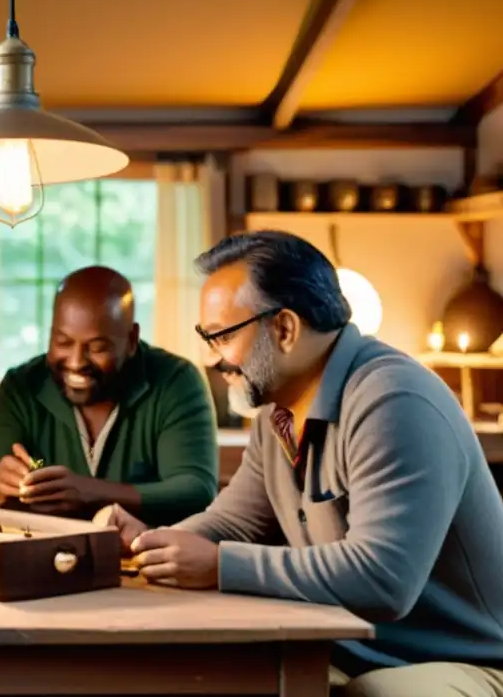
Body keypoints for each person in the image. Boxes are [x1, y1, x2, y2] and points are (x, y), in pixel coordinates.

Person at [101, 230, 503, 697]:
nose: (212, 357)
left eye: (223, 336)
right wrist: (150, 545)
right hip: (348, 646)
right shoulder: (278, 411)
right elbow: (236, 523)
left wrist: (218, 565)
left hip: (465, 659)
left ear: (285, 328)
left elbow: (382, 579)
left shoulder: (394, 400)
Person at [0, 265, 219, 527]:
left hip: (145, 555)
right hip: (43, 551)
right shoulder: (22, 385)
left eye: (98, 348)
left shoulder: (176, 381)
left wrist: (92, 492)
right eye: (63, 342)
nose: (76, 362)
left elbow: (195, 490)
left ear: (132, 340)